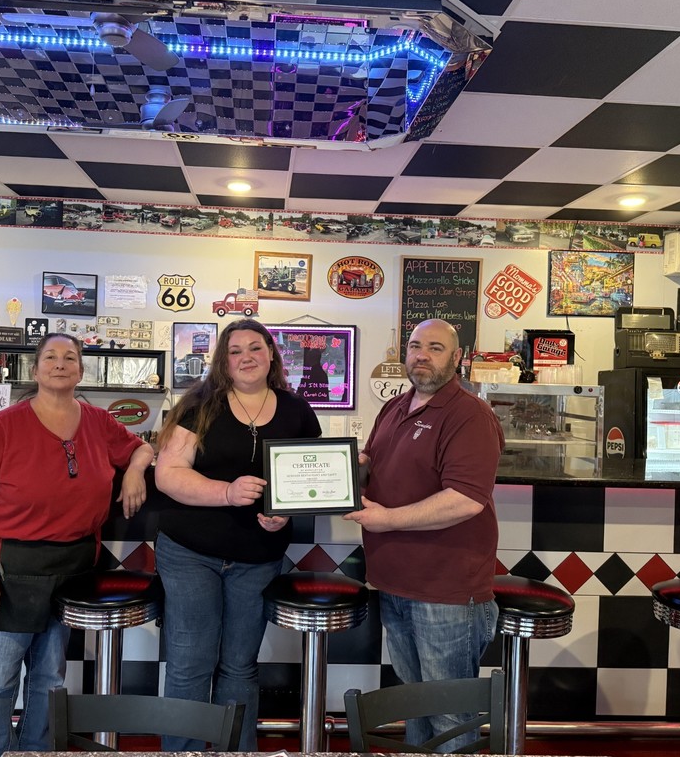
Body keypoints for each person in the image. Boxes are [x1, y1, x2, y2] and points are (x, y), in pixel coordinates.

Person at [0, 332, 154, 757]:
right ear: (35, 369)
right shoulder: (5, 424)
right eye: (50, 357)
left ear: (81, 370)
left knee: (50, 680)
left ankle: (34, 753)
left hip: (73, 566)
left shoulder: (99, 421)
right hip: (10, 568)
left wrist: (135, 470)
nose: (60, 364)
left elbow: (141, 448)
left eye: (70, 357)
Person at [154, 318, 321, 750]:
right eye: (235, 351)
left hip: (258, 558)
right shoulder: (200, 406)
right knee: (191, 665)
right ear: (224, 362)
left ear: (271, 354)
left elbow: (307, 481)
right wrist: (226, 492)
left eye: (255, 348)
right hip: (191, 551)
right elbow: (168, 474)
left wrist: (284, 515)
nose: (246, 357)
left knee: (239, 667)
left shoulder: (298, 410)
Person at [343, 319, 504, 752]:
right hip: (395, 582)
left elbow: (465, 500)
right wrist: (341, 466)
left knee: (450, 714)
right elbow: (374, 463)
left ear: (456, 357)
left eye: (435, 347)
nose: (422, 355)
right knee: (415, 705)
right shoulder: (395, 407)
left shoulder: (470, 414)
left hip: (445, 589)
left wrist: (388, 519)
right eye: (415, 346)